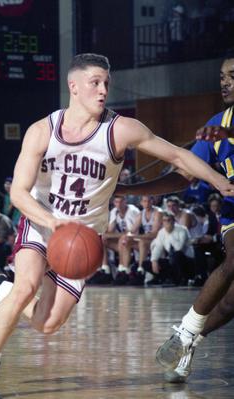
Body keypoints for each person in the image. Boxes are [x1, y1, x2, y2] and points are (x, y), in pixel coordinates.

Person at [0, 53, 234, 398]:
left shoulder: (120, 129)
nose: (103, 90)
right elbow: (18, 193)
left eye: (106, 82)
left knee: (47, 323)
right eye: (95, 83)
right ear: (73, 87)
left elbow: (180, 157)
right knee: (26, 286)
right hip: (43, 222)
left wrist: (220, 183)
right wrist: (51, 222)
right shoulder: (42, 131)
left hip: (84, 237)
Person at [116, 55, 234, 383]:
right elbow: (182, 177)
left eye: (233, 75)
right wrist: (128, 189)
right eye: (222, 76)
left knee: (229, 305)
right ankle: (184, 333)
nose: (224, 81)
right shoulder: (217, 123)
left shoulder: (222, 128)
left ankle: (189, 341)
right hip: (233, 213)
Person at [146, 210, 195, 286]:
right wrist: (154, 261)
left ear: (173, 221)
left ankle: (181, 279)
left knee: (177, 255)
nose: (167, 222)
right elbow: (158, 247)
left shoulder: (182, 230)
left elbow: (179, 248)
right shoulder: (161, 232)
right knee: (146, 263)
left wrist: (169, 233)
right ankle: (162, 278)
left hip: (186, 260)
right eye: (164, 220)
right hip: (171, 259)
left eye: (169, 220)